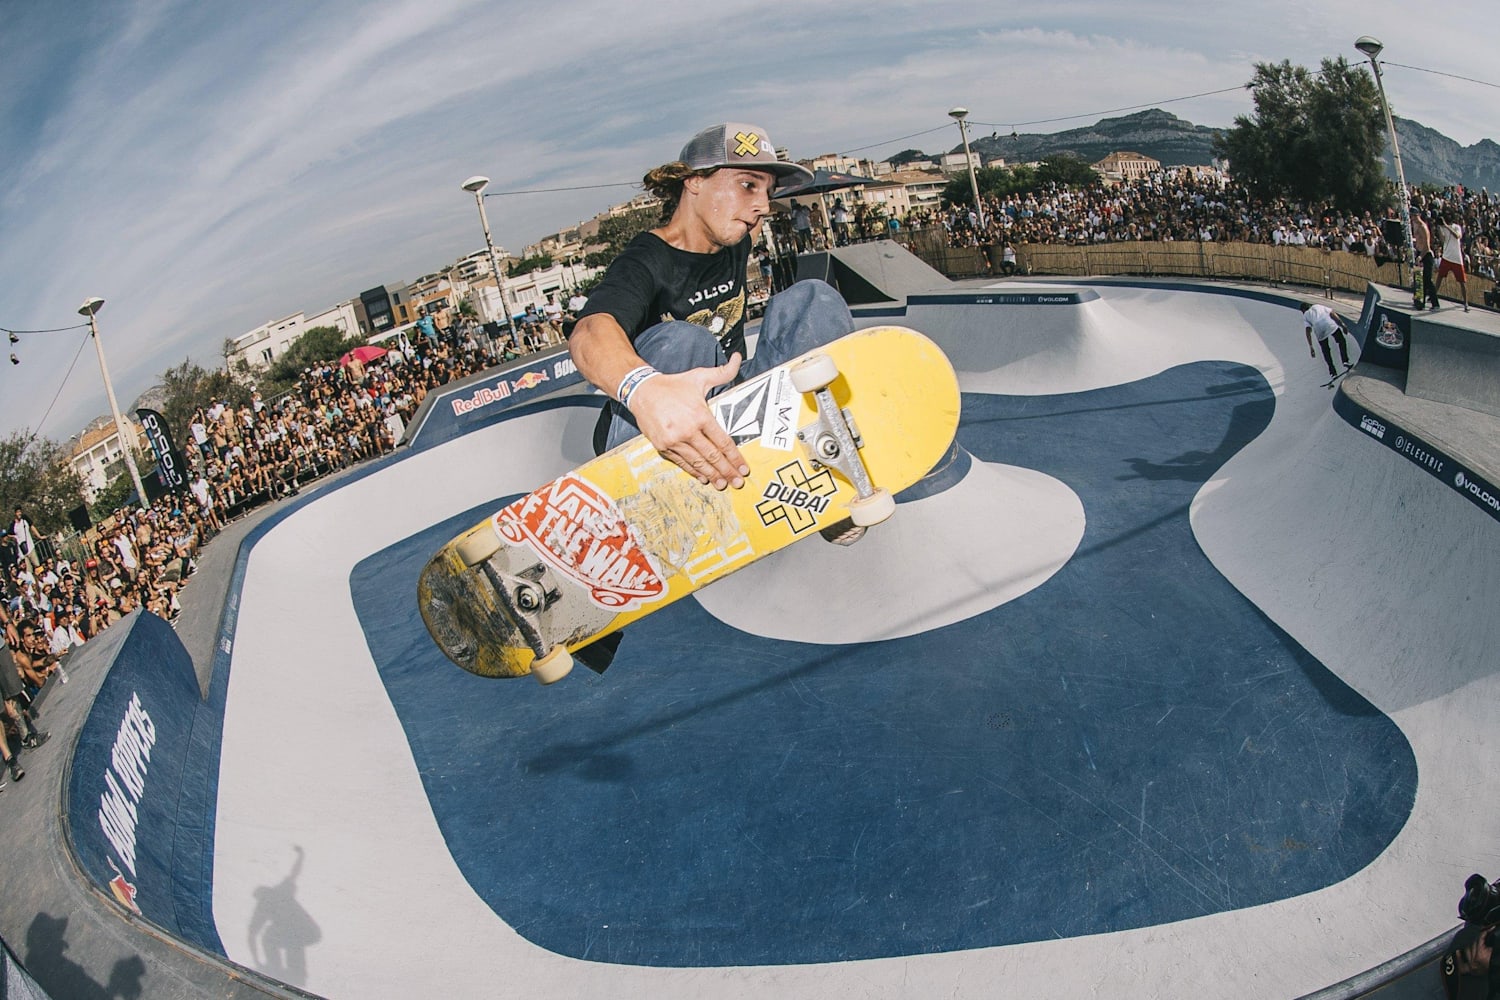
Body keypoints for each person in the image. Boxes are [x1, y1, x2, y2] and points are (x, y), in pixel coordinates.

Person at [1300, 301, 1352, 380]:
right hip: (1328, 324)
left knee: (1326, 351)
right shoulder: (1318, 305)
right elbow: (1332, 314)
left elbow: (1308, 331)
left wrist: (1311, 346)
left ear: (1303, 310)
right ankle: (1345, 361)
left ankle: (1332, 372)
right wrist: (1342, 325)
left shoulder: (1305, 315)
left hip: (1318, 329)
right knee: (1341, 341)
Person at [1432, 213, 1471, 312]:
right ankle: (1433, 296)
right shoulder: (1444, 228)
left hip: (1456, 258)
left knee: (1462, 282)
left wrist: (1446, 226)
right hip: (1446, 256)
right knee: (1440, 277)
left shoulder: (1456, 227)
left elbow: (1457, 236)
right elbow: (1443, 239)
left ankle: (1466, 303)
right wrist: (1440, 228)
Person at [1410, 208, 1438, 310]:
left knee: (1427, 279)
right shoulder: (1415, 225)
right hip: (1419, 251)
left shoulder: (1423, 227)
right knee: (1419, 280)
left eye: (1413, 215)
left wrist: (1421, 256)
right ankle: (1419, 301)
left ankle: (1435, 303)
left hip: (1426, 254)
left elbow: (1426, 245)